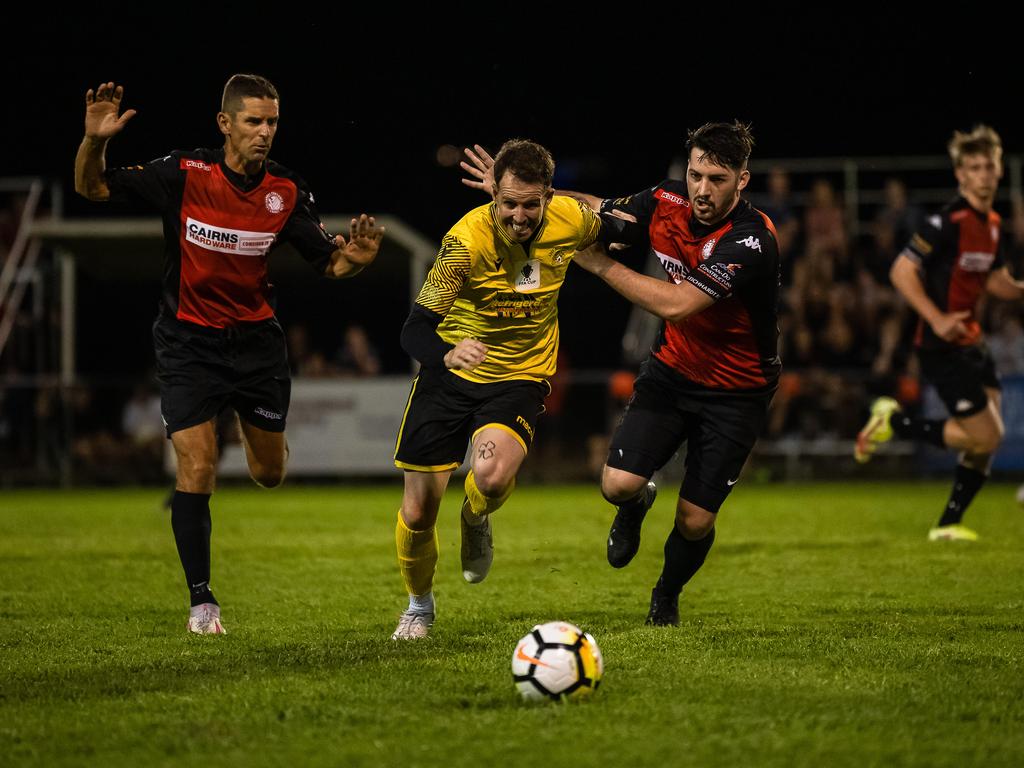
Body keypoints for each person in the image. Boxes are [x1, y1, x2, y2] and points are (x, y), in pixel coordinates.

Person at [75, 77, 383, 634]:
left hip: (257, 345)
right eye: (253, 122)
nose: (264, 132)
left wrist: (356, 260)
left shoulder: (286, 190)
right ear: (225, 124)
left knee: (269, 473)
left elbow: (330, 265)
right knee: (197, 465)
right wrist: (95, 140)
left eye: (272, 123)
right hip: (187, 341)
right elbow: (92, 189)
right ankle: (202, 602)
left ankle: (265, 438)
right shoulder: (184, 173)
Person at [538, 121, 782, 626]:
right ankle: (638, 502)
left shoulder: (752, 239)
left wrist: (600, 265)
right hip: (672, 372)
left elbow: (675, 305)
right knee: (617, 485)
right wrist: (533, 192)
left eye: (717, 178)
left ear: (742, 180)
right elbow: (600, 208)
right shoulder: (666, 199)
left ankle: (666, 595)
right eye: (696, 175)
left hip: (738, 392)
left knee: (694, 521)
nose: (702, 189)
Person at [390, 139, 603, 639]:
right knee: (418, 512)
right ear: (494, 199)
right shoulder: (466, 240)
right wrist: (445, 353)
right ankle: (419, 606)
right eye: (509, 203)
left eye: (531, 203)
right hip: (450, 374)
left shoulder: (571, 219)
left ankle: (475, 517)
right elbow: (415, 328)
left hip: (520, 375)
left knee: (487, 477)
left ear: (549, 197)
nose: (519, 216)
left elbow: (618, 216)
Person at [855, 125, 1024, 542]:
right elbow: (901, 270)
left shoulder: (994, 224)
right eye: (974, 167)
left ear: (999, 170)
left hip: (972, 341)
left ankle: (949, 524)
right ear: (960, 174)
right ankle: (895, 421)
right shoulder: (947, 221)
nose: (983, 174)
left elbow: (999, 282)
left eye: (989, 166)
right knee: (988, 436)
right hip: (942, 345)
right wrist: (935, 317)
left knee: (983, 444)